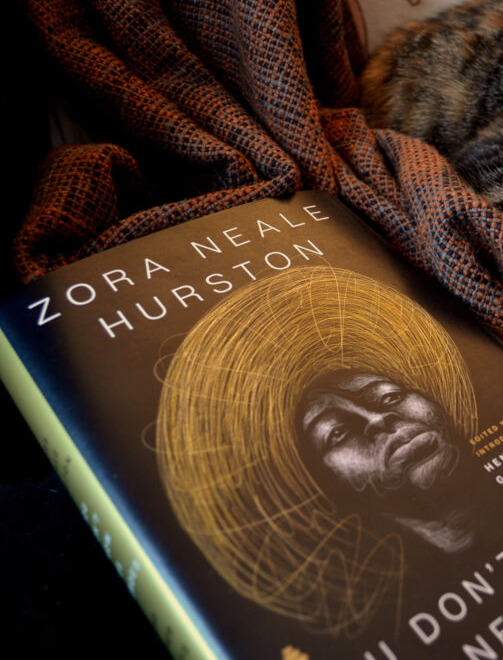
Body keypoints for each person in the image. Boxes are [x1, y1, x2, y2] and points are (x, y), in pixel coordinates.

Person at [155, 266, 478, 637]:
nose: (378, 420)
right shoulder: (391, 621)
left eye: (389, 396)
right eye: (337, 434)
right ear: (324, 483)